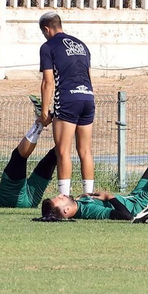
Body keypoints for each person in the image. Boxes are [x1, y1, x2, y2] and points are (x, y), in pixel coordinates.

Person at [41, 129, 148, 223]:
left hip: (137, 195)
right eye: (59, 199)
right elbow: (126, 215)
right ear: (66, 211)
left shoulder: (80, 204)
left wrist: (82, 197)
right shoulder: (89, 212)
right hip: (146, 202)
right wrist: (110, 197)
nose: (61, 195)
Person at [37, 12, 97, 198]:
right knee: (85, 150)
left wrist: (45, 111)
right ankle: (89, 197)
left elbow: (48, 82)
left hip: (68, 99)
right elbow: (88, 74)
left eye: (43, 32)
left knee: (62, 150)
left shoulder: (48, 47)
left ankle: (64, 198)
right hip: (88, 97)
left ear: (47, 29)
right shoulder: (81, 45)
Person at [0, 121, 57, 209]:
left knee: (52, 158)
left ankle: (68, 126)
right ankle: (40, 123)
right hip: (9, 199)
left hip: (30, 200)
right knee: (19, 157)